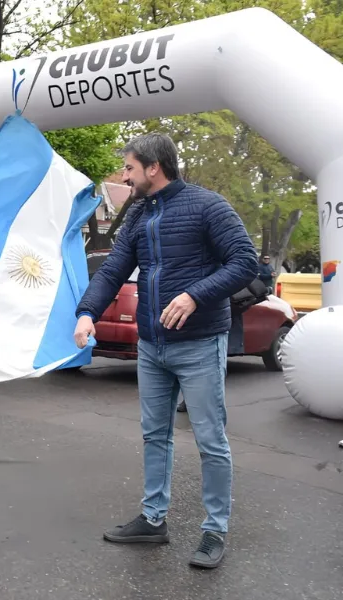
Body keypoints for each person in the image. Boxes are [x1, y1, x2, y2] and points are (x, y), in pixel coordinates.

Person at [73, 133, 257, 569]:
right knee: (155, 434)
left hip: (199, 343)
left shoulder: (207, 205)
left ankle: (215, 530)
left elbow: (245, 261)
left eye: (130, 168)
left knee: (211, 440)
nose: (125, 176)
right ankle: (154, 520)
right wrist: (86, 312)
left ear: (154, 167)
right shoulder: (138, 212)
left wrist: (194, 295)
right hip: (152, 346)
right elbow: (115, 268)